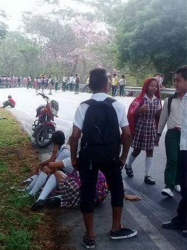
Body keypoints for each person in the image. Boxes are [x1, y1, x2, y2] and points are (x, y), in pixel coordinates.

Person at [70, 68, 136, 248]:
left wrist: (74, 158)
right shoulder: (117, 105)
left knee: (87, 192)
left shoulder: (84, 106)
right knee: (116, 188)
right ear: (107, 85)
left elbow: (75, 136)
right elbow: (127, 134)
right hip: (111, 156)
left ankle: (90, 235)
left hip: (89, 156)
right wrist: (123, 157)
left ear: (90, 85)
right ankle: (116, 228)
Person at [162, 66, 187, 237]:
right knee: (184, 185)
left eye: (178, 80)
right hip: (183, 146)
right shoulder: (180, 99)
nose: (175, 83)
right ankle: (181, 219)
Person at [125, 78, 162, 185]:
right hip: (140, 126)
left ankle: (148, 175)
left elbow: (158, 116)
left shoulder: (157, 100)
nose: (154, 88)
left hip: (151, 127)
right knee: (137, 150)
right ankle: (128, 165)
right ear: (146, 86)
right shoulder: (139, 100)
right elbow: (131, 114)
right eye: (151, 86)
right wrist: (139, 111)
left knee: (150, 150)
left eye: (156, 86)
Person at [156, 71, 187, 197]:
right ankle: (169, 186)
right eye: (175, 80)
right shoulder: (169, 100)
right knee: (172, 159)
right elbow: (163, 118)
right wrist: (158, 135)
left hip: (185, 135)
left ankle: (177, 182)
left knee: (181, 160)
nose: (175, 84)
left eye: (178, 80)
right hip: (172, 133)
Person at [22, 131, 70, 197]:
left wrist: (54, 152)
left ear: (55, 142)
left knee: (46, 169)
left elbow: (51, 164)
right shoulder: (61, 148)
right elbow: (51, 161)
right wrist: (40, 164)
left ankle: (32, 193)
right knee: (44, 168)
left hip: (68, 175)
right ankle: (29, 188)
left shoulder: (65, 152)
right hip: (62, 170)